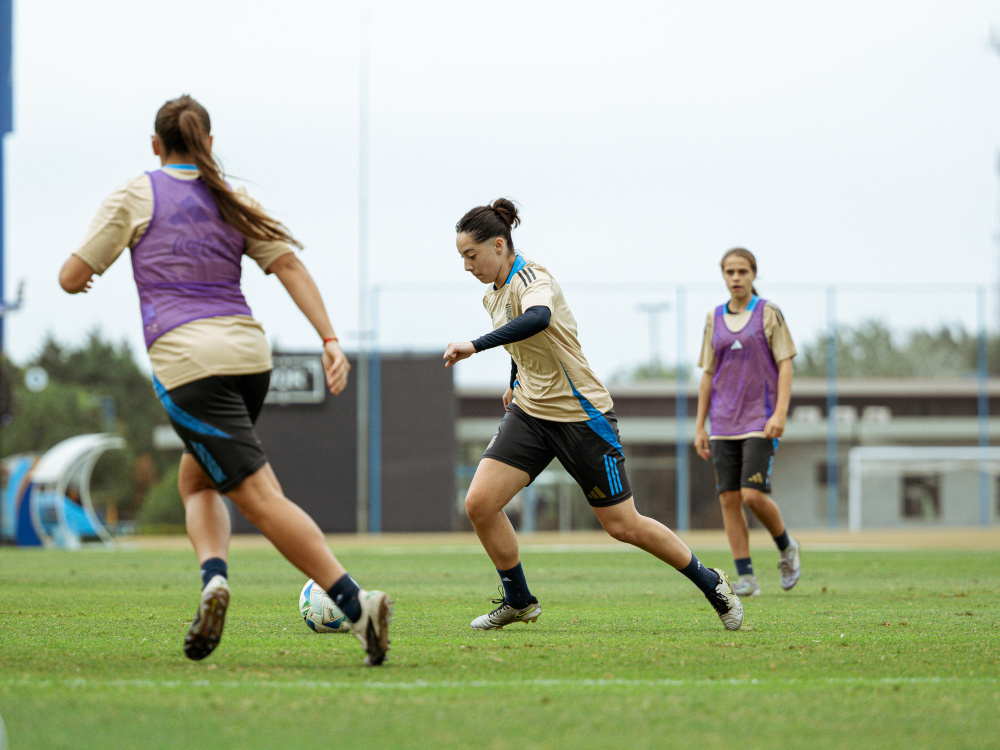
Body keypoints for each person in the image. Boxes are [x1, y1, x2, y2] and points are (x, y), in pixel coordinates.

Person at [58, 95, 391, 666]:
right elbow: (288, 265)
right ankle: (213, 578)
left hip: (189, 364)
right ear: (208, 143)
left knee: (257, 499)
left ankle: (356, 603)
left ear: (156, 146)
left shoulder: (136, 193)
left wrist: (84, 276)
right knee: (197, 480)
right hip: (249, 358)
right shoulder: (232, 197)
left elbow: (71, 276)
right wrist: (330, 339)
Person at [443, 198, 743, 632]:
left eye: (471, 255)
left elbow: (538, 318)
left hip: (581, 416)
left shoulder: (533, 277)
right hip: (531, 413)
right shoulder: (492, 295)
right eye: (462, 257)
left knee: (623, 525)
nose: (467, 265)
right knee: (479, 504)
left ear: (499, 245)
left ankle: (711, 582)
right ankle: (519, 600)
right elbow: (520, 344)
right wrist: (514, 380)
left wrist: (475, 345)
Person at [694, 247, 802, 597]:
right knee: (729, 498)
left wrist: (780, 412)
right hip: (723, 422)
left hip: (760, 419)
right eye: (730, 272)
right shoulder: (714, 318)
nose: (736, 277)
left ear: (753, 274)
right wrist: (700, 425)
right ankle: (747, 578)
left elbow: (785, 363)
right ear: (723, 276)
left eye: (742, 271)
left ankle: (787, 547)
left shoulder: (768, 313)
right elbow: (708, 374)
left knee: (752, 495)